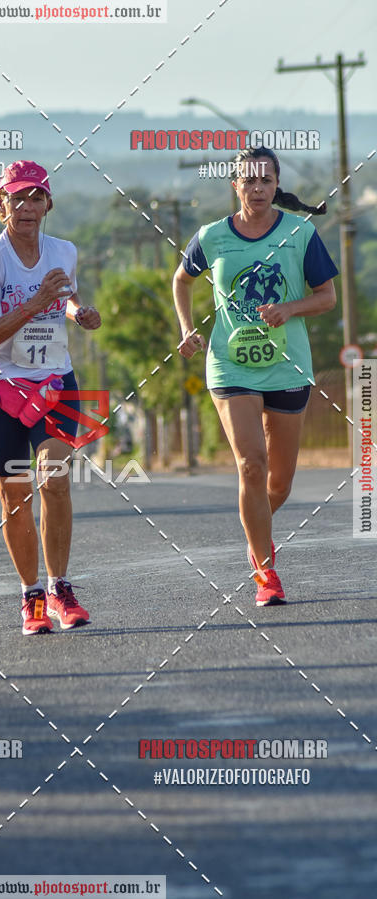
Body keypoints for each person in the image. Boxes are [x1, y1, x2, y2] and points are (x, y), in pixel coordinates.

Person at [173, 146, 338, 607]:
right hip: (230, 364)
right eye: (249, 181)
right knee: (251, 463)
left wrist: (289, 308)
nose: (258, 188)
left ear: (275, 184)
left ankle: (256, 534)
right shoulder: (212, 236)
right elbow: (181, 279)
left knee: (279, 482)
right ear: (236, 186)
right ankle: (266, 571)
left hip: (288, 365)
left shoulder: (300, 233)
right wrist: (188, 329)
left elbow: (326, 297)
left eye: (266, 180)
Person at [0, 160, 101, 635]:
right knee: (16, 496)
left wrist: (77, 312)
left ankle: (60, 587)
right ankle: (30, 598)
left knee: (56, 479)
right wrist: (32, 304)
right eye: (17, 198)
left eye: (36, 197)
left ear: (49, 204)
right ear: (1, 205)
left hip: (53, 383)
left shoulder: (64, 251)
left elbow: (62, 294)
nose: (27, 207)